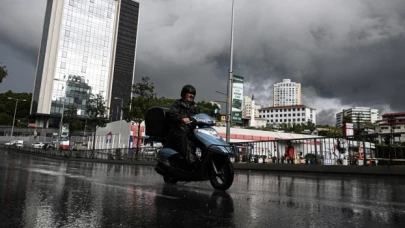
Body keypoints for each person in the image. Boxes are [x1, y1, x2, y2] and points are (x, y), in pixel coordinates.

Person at [168, 85, 201, 164]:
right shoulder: (178, 104)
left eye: (193, 94)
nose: (192, 95)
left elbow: (200, 115)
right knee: (183, 134)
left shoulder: (194, 107)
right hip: (178, 130)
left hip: (190, 130)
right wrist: (181, 118)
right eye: (189, 93)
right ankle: (191, 160)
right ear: (184, 94)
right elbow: (172, 113)